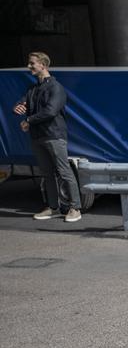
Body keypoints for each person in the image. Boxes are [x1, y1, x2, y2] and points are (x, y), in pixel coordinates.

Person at [12, 52, 82, 222]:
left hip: (54, 136)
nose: (29, 67)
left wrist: (28, 120)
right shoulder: (33, 89)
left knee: (64, 172)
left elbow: (50, 111)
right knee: (47, 174)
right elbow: (22, 103)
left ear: (43, 65)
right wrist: (18, 107)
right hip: (37, 137)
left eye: (32, 63)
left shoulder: (56, 88)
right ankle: (52, 207)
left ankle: (75, 208)